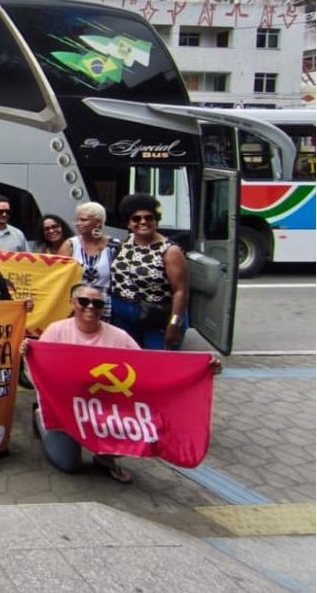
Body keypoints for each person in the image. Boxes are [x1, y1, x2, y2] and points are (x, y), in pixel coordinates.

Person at [24, 283, 223, 484]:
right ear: (72, 303)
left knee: (140, 422)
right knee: (69, 465)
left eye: (97, 303)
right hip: (65, 409)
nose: (91, 307)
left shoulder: (119, 336)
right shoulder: (56, 331)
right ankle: (41, 416)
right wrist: (29, 353)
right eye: (84, 301)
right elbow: (38, 373)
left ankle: (105, 457)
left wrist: (203, 368)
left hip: (102, 408)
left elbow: (148, 369)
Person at [109, 194, 189, 350]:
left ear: (156, 221)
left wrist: (175, 324)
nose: (143, 222)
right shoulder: (126, 242)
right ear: (128, 223)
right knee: (128, 361)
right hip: (123, 318)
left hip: (157, 319)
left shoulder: (170, 251)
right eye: (136, 219)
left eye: (148, 218)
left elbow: (181, 291)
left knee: (157, 361)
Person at [57, 202, 118, 318]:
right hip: (75, 307)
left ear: (98, 222)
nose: (78, 224)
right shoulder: (70, 245)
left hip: (102, 307)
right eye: (77, 220)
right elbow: (59, 278)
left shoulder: (114, 246)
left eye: (83, 220)